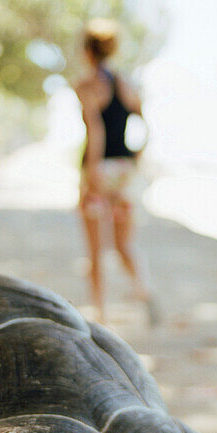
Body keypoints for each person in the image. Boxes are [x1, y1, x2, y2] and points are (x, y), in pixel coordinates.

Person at [74, 18, 154, 325]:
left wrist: (92, 172)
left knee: (96, 249)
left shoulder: (87, 85)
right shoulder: (126, 84)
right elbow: (144, 125)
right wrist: (137, 157)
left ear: (87, 51)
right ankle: (143, 286)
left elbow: (95, 129)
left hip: (100, 169)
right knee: (124, 244)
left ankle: (100, 314)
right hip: (125, 171)